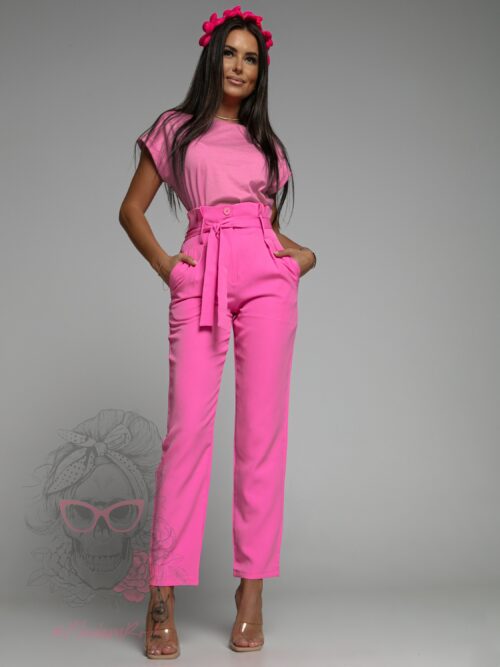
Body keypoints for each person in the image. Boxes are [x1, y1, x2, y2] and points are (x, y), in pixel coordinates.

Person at [118, 4, 317, 659]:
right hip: (200, 273)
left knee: (261, 437)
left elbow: (264, 226)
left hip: (265, 278)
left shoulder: (268, 146)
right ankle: (162, 595)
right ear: (213, 58)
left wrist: (299, 257)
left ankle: (251, 594)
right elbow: (132, 209)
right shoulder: (175, 129)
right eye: (231, 53)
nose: (239, 66)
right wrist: (168, 267)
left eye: (251, 59)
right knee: (186, 436)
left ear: (261, 73)